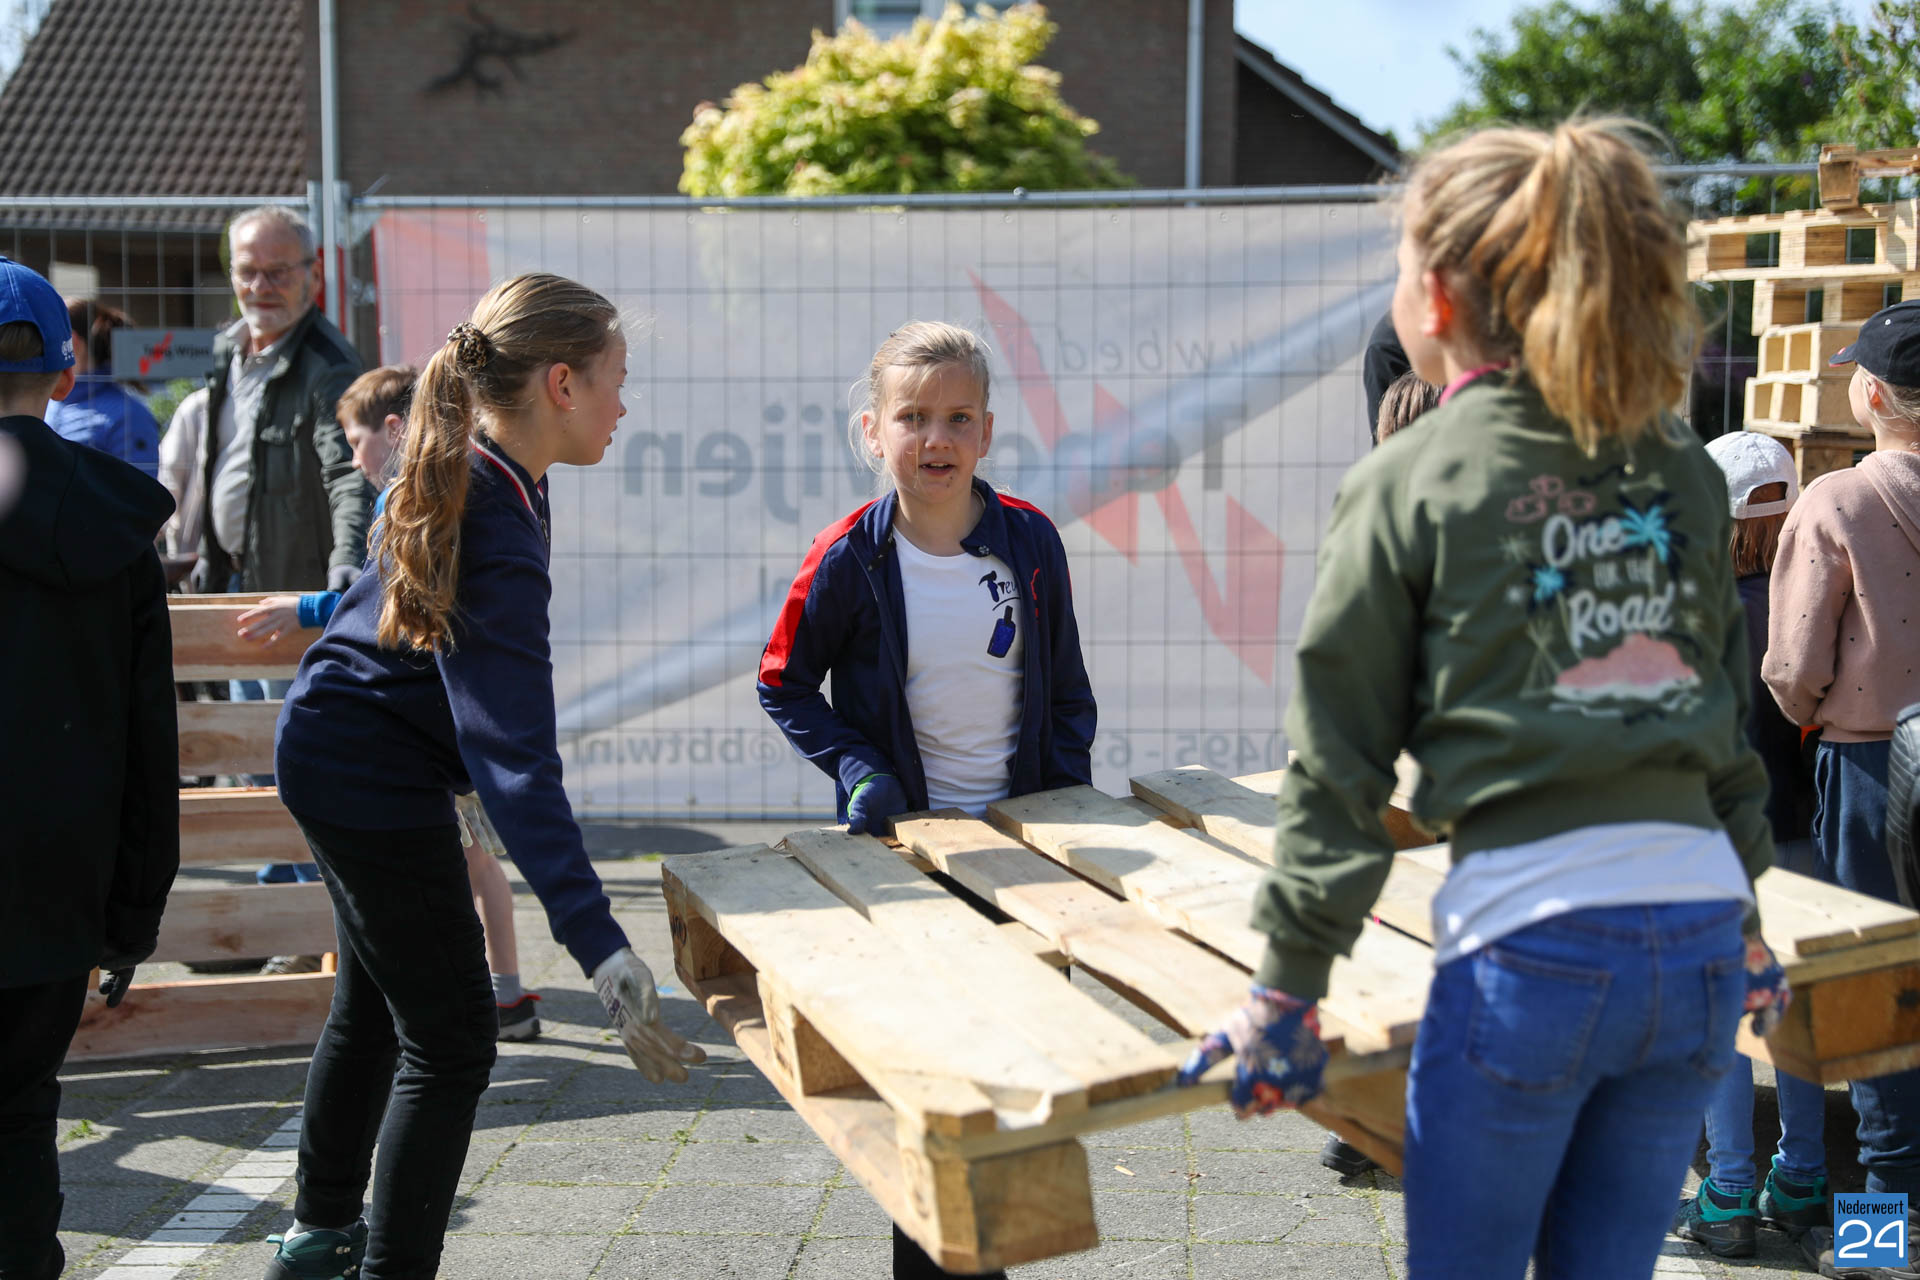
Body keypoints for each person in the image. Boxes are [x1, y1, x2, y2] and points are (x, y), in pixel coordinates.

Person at [1178, 119, 1788, 1279]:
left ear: (1440, 295)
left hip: (1533, 952)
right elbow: (1720, 726)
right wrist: (1750, 921)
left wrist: (1286, 992)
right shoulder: (1672, 462)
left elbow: (1339, 768)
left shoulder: (1408, 475)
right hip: (1700, 949)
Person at [266, 274, 703, 1280]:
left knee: (377, 1004)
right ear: (561, 383)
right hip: (363, 771)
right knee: (456, 1038)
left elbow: (424, 651)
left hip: (342, 750)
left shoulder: (492, 474)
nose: (624, 404)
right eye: (616, 379)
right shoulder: (491, 507)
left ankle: (316, 1240)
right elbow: (515, 756)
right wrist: (598, 945)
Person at [758, 320, 1096, 1280]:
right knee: (933, 1103)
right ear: (873, 432)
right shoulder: (847, 557)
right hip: (905, 864)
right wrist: (859, 769)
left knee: (1018, 1088)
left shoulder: (1030, 540)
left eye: (957, 418)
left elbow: (1068, 692)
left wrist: (1061, 804)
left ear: (987, 431)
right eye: (912, 417)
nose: (935, 438)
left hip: (1023, 859)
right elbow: (783, 681)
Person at [237, 364, 540, 1040]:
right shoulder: (459, 491)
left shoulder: (407, 500)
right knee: (476, 864)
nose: (353, 460)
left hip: (416, 733)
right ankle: (506, 991)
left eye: (356, 442)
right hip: (436, 730)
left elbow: (384, 605)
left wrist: (306, 608)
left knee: (470, 867)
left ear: (396, 429)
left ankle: (499, 994)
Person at [0, 256, 179, 1280]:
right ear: (65, 374)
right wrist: (133, 914)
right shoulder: (115, 530)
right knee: (23, 1112)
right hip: (55, 883)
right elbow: (151, 743)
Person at [1763, 299, 1920, 1267]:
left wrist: (1817, 711)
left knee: (1878, 1003)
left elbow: (1793, 669)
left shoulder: (1836, 501)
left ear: (1871, 395)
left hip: (1871, 769)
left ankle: (1883, 1240)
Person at [1673, 431, 1828, 1258]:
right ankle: (1805, 1183)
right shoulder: (1824, 599)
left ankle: (1727, 1192)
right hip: (1810, 834)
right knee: (1801, 1013)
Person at [190, 205, 367, 601]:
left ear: (314, 276)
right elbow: (224, 462)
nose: (260, 286)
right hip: (231, 578)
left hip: (294, 596)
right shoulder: (226, 354)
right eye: (247, 271)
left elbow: (350, 471)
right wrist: (208, 554)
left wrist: (347, 559)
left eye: (278, 272)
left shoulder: (330, 368)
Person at [45, 299, 160, 476]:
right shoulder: (47, 404)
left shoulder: (130, 416)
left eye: (48, 340)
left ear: (72, 343)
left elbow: (141, 490)